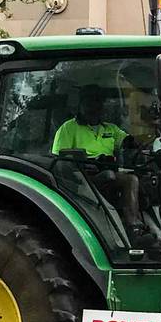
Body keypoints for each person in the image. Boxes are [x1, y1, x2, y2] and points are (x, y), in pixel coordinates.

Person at [52, 85, 145, 238]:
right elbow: (61, 160)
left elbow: (128, 141)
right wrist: (85, 164)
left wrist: (144, 137)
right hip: (82, 177)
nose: (94, 106)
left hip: (109, 171)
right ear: (80, 105)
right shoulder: (68, 128)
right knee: (109, 175)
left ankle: (134, 225)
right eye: (89, 102)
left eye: (98, 102)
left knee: (132, 179)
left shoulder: (110, 129)